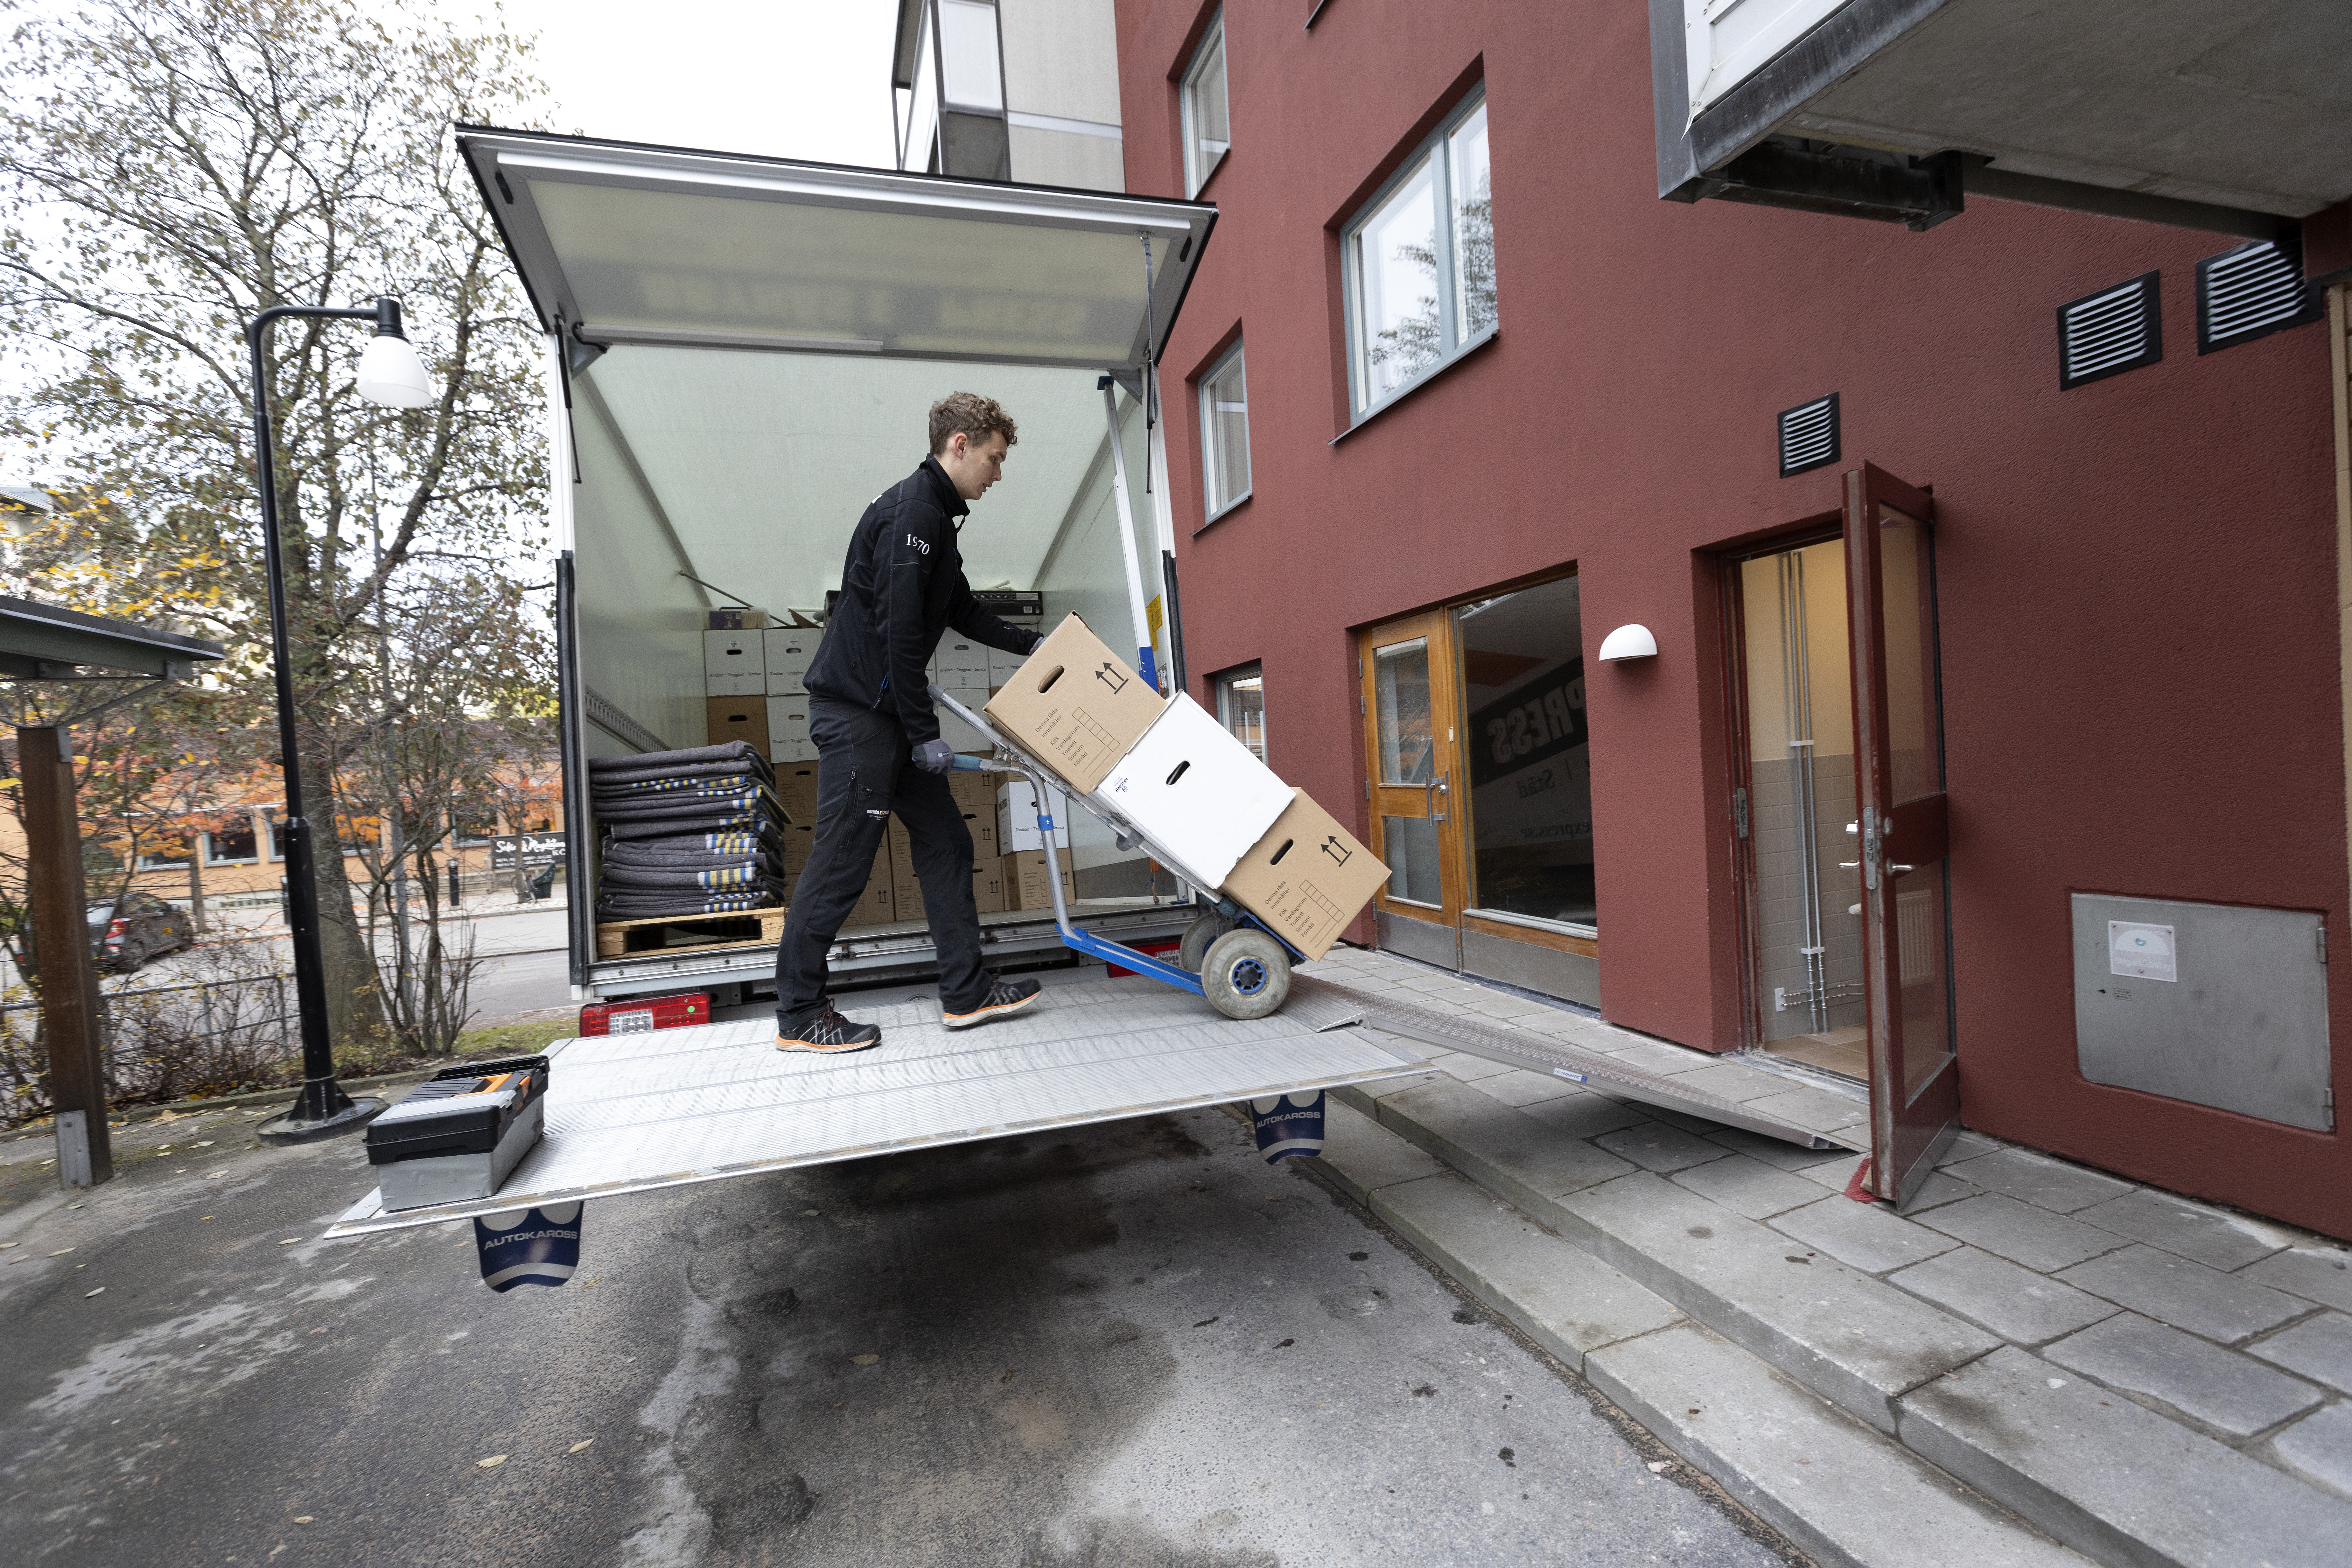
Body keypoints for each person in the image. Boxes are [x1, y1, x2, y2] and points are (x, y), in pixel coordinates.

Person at [773, 392, 1049, 1052]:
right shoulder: (911, 513)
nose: (999, 473)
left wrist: (1033, 645)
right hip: (863, 717)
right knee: (842, 862)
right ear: (959, 444)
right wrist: (925, 734)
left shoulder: (937, 520)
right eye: (994, 458)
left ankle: (966, 992)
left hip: (890, 717)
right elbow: (897, 633)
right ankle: (799, 1014)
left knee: (947, 843)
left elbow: (963, 611)